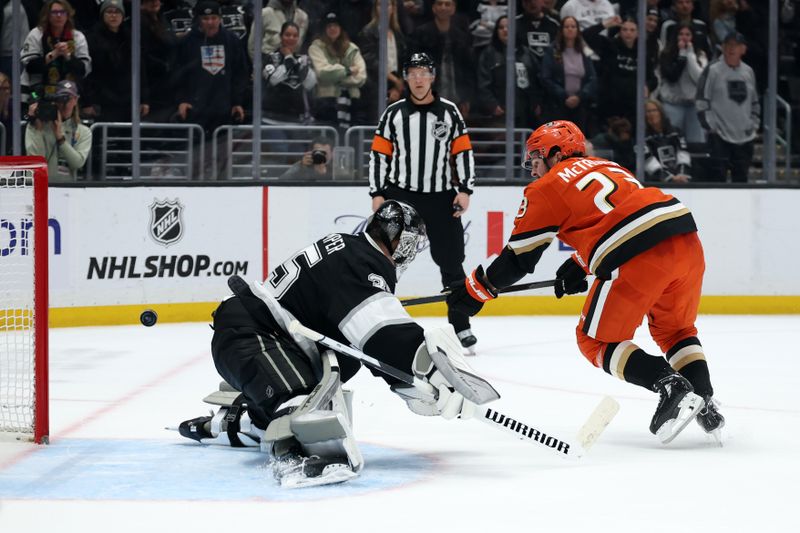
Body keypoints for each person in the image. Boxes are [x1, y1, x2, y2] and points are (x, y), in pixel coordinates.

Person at [177, 200, 493, 487]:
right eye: (410, 244)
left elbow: (367, 346)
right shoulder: (361, 261)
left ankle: (238, 423)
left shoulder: (351, 250)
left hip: (267, 338)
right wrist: (431, 370)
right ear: (400, 240)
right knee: (302, 406)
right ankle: (299, 455)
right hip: (252, 334)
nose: (409, 253)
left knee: (341, 363)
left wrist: (410, 382)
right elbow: (383, 334)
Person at [446, 120, 724, 444]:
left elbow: (518, 260)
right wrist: (581, 263)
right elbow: (620, 214)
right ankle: (704, 400)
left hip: (637, 253)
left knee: (594, 340)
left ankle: (670, 384)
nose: (532, 168)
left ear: (555, 153)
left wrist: (474, 291)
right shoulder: (609, 166)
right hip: (684, 237)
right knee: (676, 331)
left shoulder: (546, 187)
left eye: (535, 158)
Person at [368, 53, 478, 350]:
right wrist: (377, 192)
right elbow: (379, 155)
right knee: (384, 259)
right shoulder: (393, 114)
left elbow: (463, 153)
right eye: (413, 73)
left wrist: (465, 189)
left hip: (441, 197)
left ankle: (461, 325)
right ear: (406, 78)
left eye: (423, 73)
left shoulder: (449, 112)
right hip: (400, 194)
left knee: (452, 263)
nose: (418, 79)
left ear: (432, 77)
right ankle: (376, 321)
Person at [174, 0, 247, 178]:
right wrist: (182, 99)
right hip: (195, 109)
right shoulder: (187, 42)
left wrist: (237, 102)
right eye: (206, 18)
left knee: (223, 158)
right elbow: (178, 74)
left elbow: (240, 73)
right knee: (196, 158)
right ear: (199, 20)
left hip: (223, 108)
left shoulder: (231, 40)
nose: (210, 22)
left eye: (214, 18)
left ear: (220, 18)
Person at [695, 31, 759, 183]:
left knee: (741, 179)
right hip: (719, 136)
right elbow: (701, 100)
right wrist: (711, 127)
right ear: (723, 47)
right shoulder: (712, 70)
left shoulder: (748, 71)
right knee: (717, 179)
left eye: (736, 45)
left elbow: (755, 102)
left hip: (744, 137)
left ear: (743, 49)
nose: (732, 48)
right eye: (728, 44)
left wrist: (754, 124)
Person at [83, 0, 150, 122]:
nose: (113, 15)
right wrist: (88, 101)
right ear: (102, 15)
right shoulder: (92, 39)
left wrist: (144, 99)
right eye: (109, 12)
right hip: (103, 100)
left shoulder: (131, 37)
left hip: (129, 99)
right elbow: (88, 73)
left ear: (123, 16)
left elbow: (141, 70)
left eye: (117, 12)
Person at [584, 16, 658, 125]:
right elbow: (587, 35)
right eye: (625, 29)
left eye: (632, 30)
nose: (628, 33)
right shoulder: (609, 46)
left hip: (632, 108)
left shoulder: (643, 53)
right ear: (620, 32)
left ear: (638, 33)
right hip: (609, 106)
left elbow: (653, 78)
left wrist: (648, 86)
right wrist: (605, 24)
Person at [409, 0, 475, 118]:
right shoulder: (421, 33)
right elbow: (414, 66)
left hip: (457, 96)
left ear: (453, 9)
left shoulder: (461, 36)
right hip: (428, 93)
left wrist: (466, 98)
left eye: (447, 4)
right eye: (439, 4)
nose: (443, 7)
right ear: (433, 8)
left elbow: (468, 69)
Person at [477, 15, 544, 128]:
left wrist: (536, 102)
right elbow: (483, 83)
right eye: (501, 27)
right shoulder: (488, 54)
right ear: (496, 31)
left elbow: (536, 81)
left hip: (526, 113)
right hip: (500, 114)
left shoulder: (526, 53)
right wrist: (492, 105)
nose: (505, 30)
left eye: (508, 27)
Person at [20, 0, 92, 103]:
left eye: (62, 12)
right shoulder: (36, 34)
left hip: (69, 91)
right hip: (36, 91)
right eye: (54, 12)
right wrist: (53, 54)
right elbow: (30, 67)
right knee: (35, 101)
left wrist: (68, 55)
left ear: (68, 15)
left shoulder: (77, 36)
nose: (59, 15)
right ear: (47, 15)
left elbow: (83, 70)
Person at [308, 12, 367, 131]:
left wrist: (335, 77)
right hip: (326, 103)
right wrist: (348, 71)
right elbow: (323, 73)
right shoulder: (316, 48)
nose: (332, 28)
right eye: (329, 26)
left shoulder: (352, 49)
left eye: (335, 25)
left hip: (353, 103)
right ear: (324, 29)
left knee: (352, 139)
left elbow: (361, 77)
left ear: (341, 28)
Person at [25, 79, 91, 182]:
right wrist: (37, 128)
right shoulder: (38, 126)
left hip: (68, 188)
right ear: (55, 101)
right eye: (61, 99)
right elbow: (36, 162)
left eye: (69, 99)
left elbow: (78, 163)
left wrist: (61, 139)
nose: (65, 104)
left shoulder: (83, 131)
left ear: (76, 100)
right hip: (41, 185)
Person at [540, 16, 597, 133]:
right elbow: (546, 77)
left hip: (580, 104)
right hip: (558, 104)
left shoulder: (584, 50)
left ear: (577, 30)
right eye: (566, 27)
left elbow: (592, 78)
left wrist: (579, 96)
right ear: (561, 30)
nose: (570, 29)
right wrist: (564, 96)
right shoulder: (553, 50)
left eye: (573, 27)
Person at [658, 22, 709, 144]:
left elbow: (699, 79)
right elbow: (672, 77)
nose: (684, 37)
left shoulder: (700, 55)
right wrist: (681, 55)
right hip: (673, 104)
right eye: (681, 34)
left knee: (697, 143)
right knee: (672, 141)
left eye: (687, 34)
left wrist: (690, 55)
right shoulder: (666, 54)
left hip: (693, 106)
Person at [358, 0, 407, 124]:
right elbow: (370, 61)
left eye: (388, 5)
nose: (384, 8)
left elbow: (403, 59)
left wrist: (398, 85)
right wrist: (395, 81)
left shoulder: (397, 33)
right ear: (375, 8)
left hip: (397, 84)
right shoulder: (368, 32)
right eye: (380, 5)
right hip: (376, 85)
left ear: (393, 8)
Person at [262, 21, 316, 125]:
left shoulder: (303, 59)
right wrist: (288, 59)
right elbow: (274, 80)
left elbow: (310, 83)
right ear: (281, 36)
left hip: (297, 121)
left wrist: (297, 64)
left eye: (295, 36)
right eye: (287, 35)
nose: (291, 38)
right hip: (272, 120)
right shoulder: (270, 58)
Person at [644, 99, 692, 182]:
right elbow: (648, 161)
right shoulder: (642, 137)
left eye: (654, 110)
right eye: (648, 111)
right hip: (657, 182)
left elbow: (684, 154)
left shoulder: (676, 132)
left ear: (661, 112)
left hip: (681, 178)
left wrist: (681, 175)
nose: (651, 114)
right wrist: (670, 178)